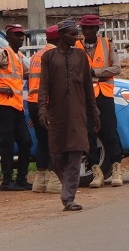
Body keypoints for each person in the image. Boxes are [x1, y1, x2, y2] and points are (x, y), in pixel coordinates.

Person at [39, 19, 101, 211]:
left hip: (77, 113)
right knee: (57, 155)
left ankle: (68, 197)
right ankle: (67, 185)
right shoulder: (48, 57)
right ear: (62, 36)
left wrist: (95, 111)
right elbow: (44, 87)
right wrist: (42, 109)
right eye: (73, 34)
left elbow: (87, 88)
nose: (77, 37)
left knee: (75, 153)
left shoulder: (81, 56)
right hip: (57, 114)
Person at [76, 14, 124, 188]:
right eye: (85, 28)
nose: (87, 31)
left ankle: (117, 168)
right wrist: (101, 73)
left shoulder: (107, 44)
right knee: (89, 134)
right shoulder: (76, 46)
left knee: (110, 131)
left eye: (91, 28)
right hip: (85, 96)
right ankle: (96, 171)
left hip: (104, 94)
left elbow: (117, 68)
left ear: (97, 29)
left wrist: (94, 73)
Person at [0, 24, 32, 190]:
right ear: (8, 37)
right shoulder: (3, 53)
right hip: (4, 106)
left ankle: (21, 178)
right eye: (17, 35)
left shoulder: (19, 56)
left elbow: (30, 72)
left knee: (26, 142)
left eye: (22, 35)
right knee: (6, 143)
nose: (20, 38)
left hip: (17, 107)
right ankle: (7, 181)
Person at [28, 26, 60, 193]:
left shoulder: (36, 55)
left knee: (42, 140)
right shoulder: (53, 55)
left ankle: (39, 181)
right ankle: (55, 181)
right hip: (47, 103)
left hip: (33, 103)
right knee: (55, 141)